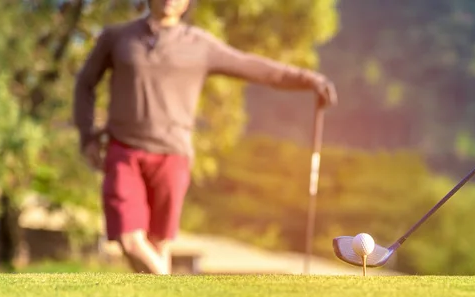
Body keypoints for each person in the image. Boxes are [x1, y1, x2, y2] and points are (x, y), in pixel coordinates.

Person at [73, 0, 338, 275]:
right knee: (129, 239)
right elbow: (85, 83)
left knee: (159, 243)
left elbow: (253, 66)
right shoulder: (117, 37)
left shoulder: (200, 44)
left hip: (172, 155)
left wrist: (309, 80)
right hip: (124, 150)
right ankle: (170, 296)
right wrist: (87, 135)